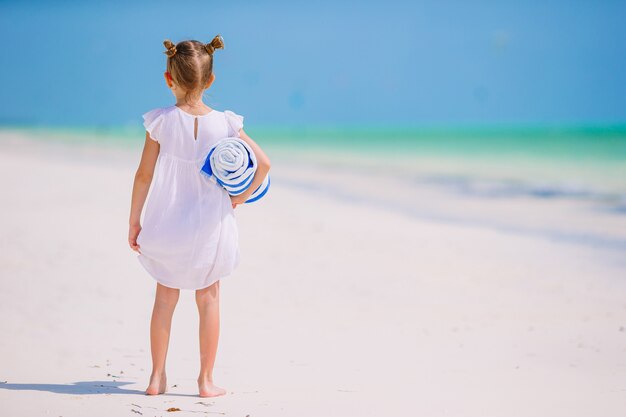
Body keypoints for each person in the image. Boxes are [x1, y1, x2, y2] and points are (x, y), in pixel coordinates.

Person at [128, 35, 271, 398]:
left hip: (166, 224)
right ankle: (206, 381)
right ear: (210, 81)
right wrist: (238, 197)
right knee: (208, 299)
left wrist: (134, 221)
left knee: (164, 299)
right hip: (211, 228)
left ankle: (156, 378)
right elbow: (264, 164)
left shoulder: (159, 122)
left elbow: (143, 175)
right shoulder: (225, 122)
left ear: (168, 78)